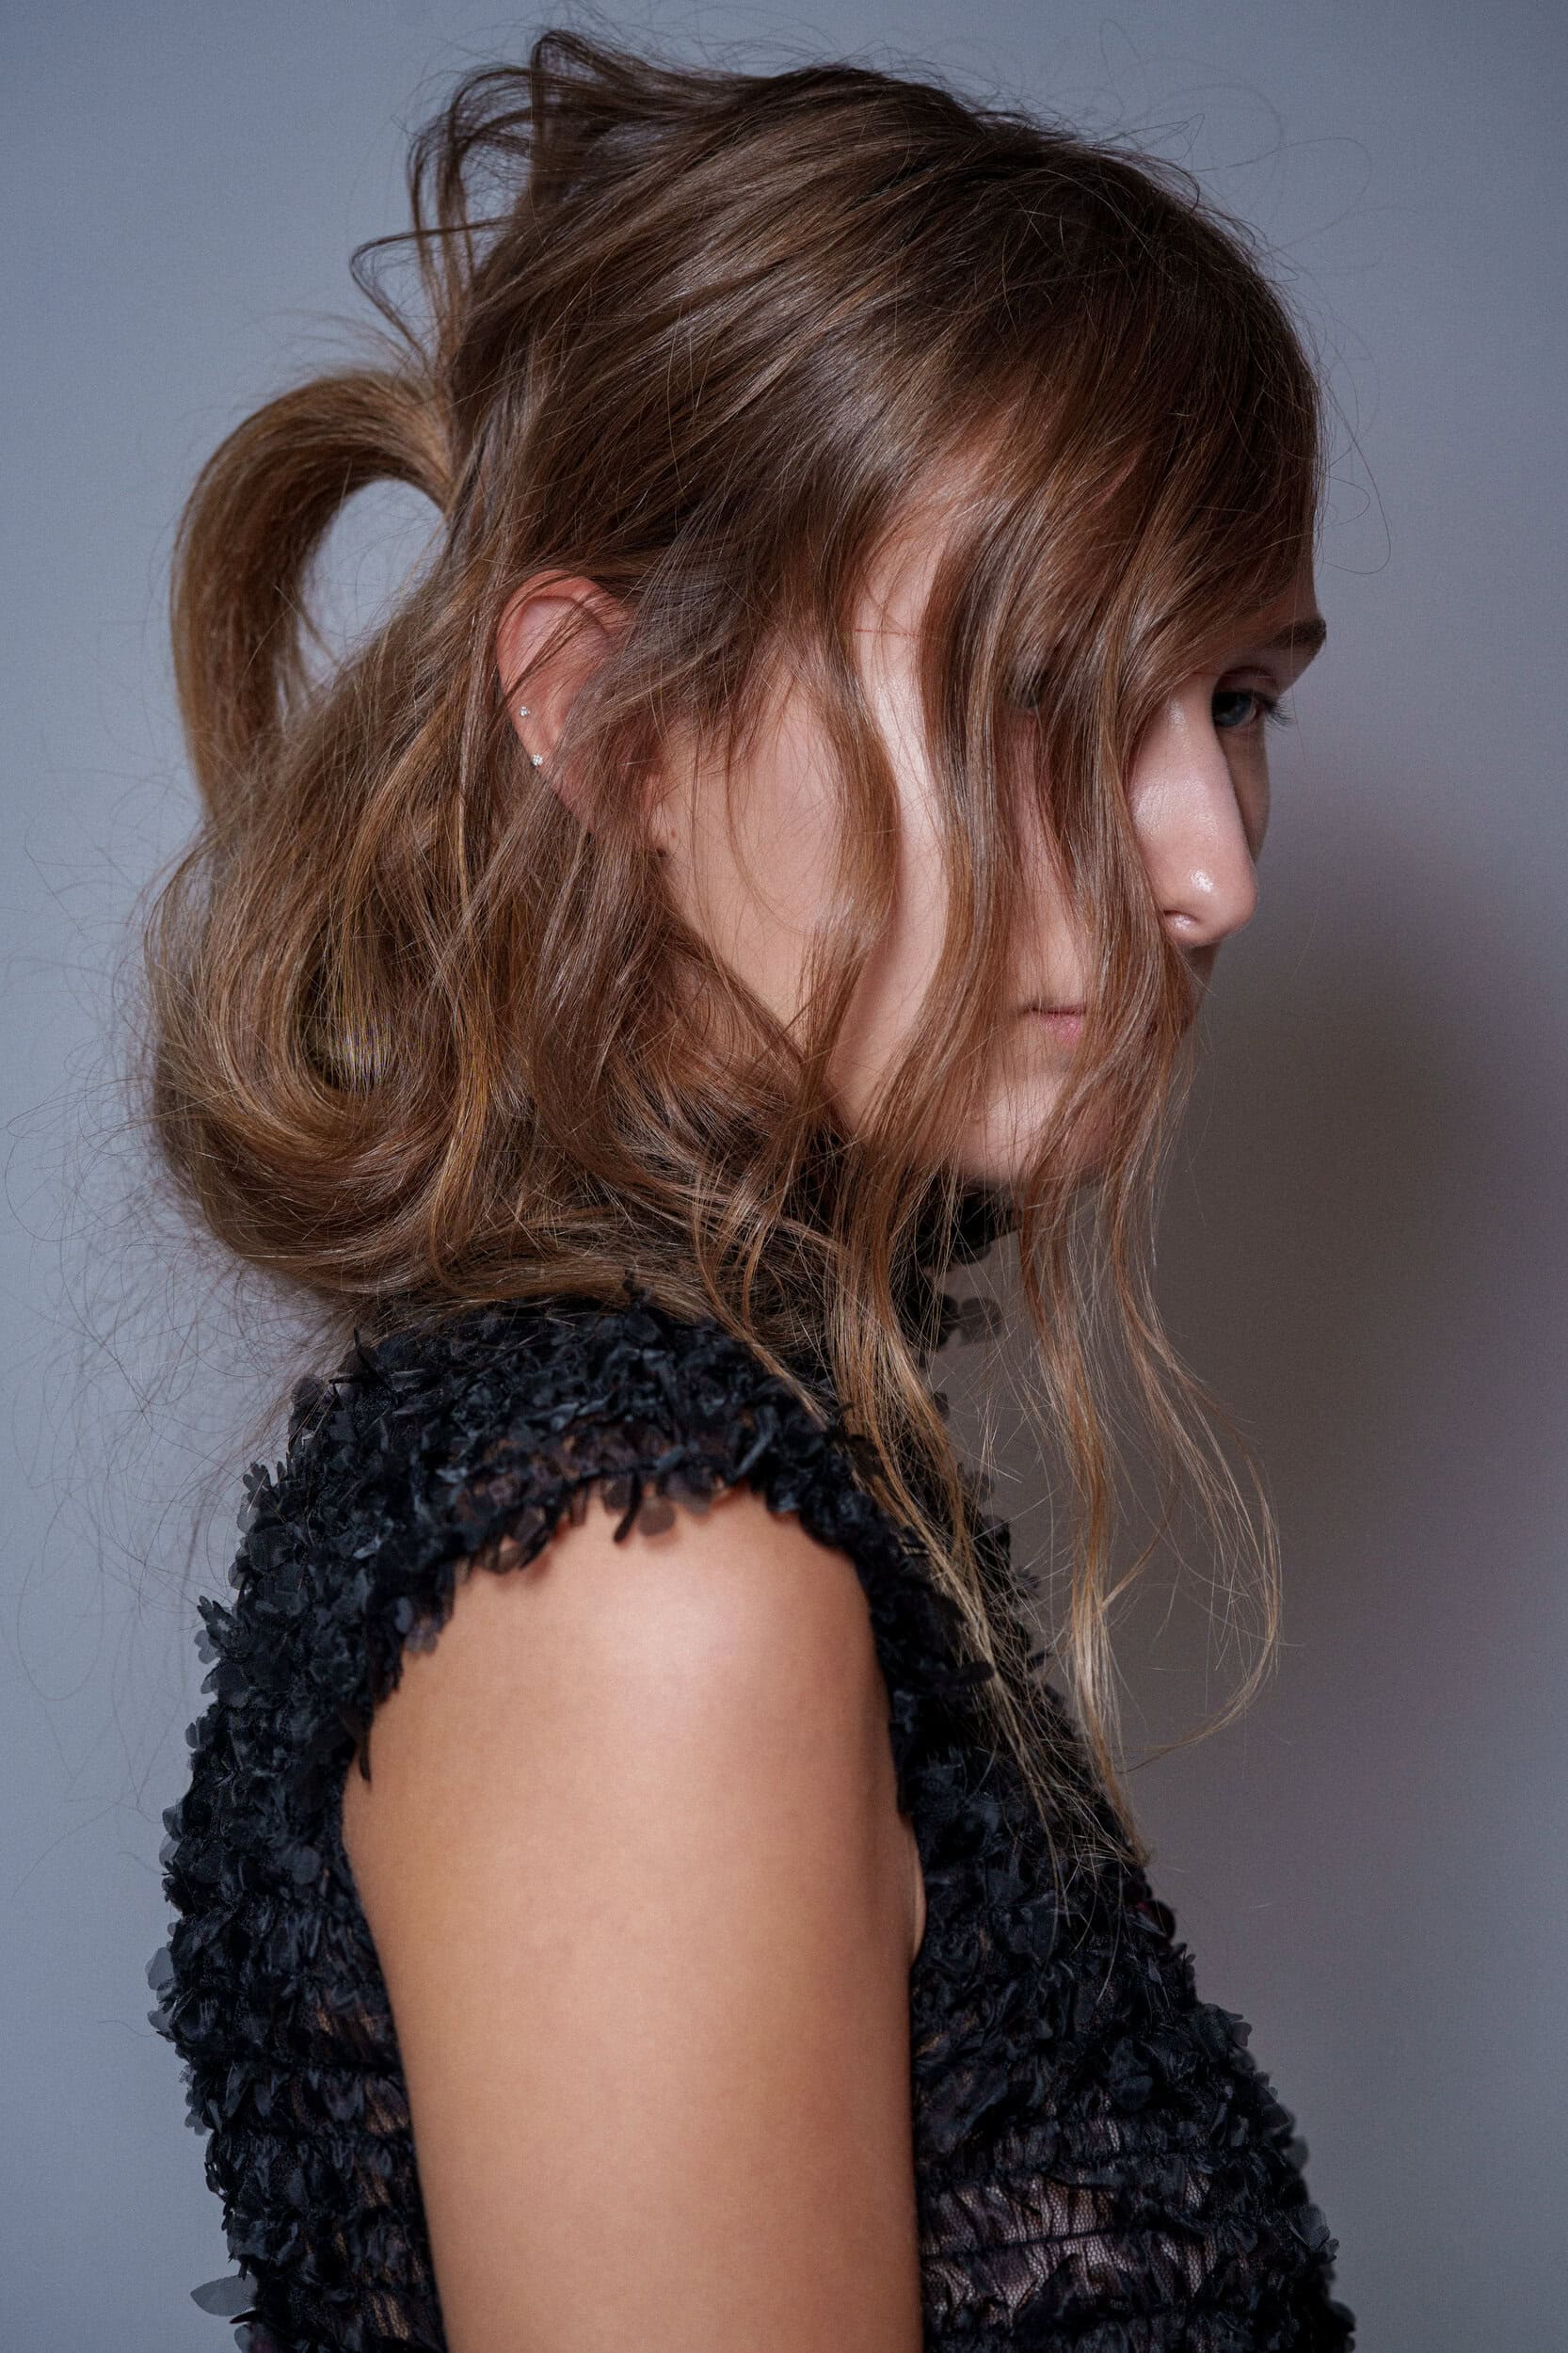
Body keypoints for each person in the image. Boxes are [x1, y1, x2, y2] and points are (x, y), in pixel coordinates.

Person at [146, 27, 1354, 2351]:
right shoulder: (645, 1572)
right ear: (611, 719)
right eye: (1037, 693)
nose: (1209, 868)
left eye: (1235, 700)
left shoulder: (673, 1464)